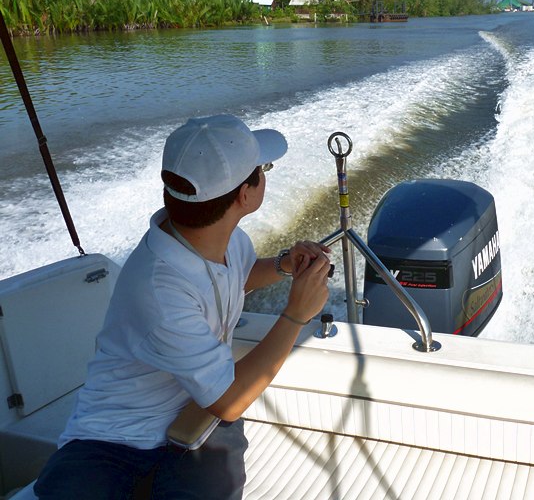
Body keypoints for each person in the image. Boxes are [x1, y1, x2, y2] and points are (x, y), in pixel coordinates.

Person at [34, 114, 331, 499]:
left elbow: (234, 277)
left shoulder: (222, 238)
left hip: (196, 414)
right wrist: (296, 314)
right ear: (245, 194)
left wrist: (283, 265)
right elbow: (229, 402)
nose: (265, 175)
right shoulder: (159, 289)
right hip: (113, 438)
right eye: (262, 169)